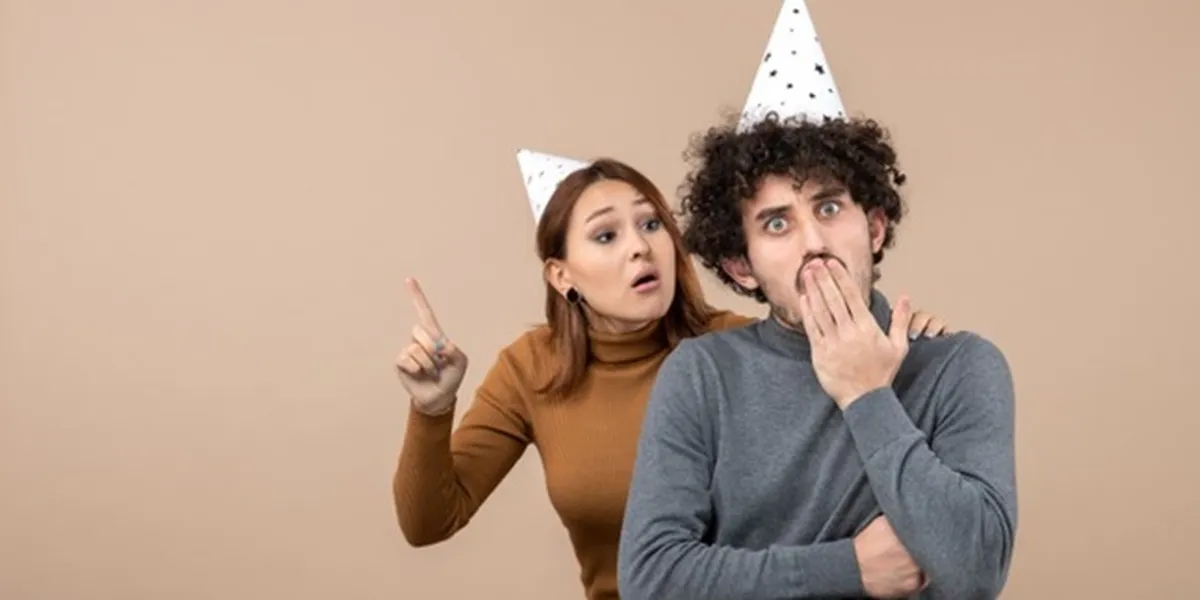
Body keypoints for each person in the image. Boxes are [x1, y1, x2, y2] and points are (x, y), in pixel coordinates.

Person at [392, 157, 955, 600]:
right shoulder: (529, 369)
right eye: (606, 236)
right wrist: (432, 410)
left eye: (651, 223)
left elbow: (860, 417)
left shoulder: (737, 350)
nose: (641, 247)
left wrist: (907, 339)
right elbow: (429, 523)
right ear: (561, 275)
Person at [615, 113, 1018, 600]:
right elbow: (650, 580)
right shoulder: (702, 373)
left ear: (874, 228)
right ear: (742, 267)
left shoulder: (959, 366)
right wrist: (848, 568)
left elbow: (976, 572)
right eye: (777, 224)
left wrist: (866, 395)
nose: (814, 243)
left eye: (829, 208)